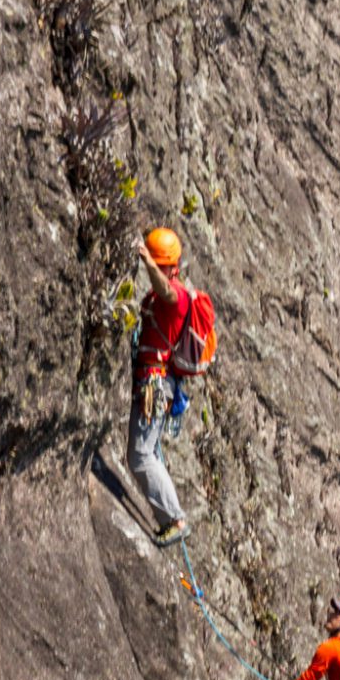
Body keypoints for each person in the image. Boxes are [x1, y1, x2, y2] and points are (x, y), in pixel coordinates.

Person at [129, 227, 193, 546]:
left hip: (155, 383)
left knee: (141, 455)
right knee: (146, 451)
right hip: (151, 381)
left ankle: (174, 518)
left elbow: (166, 292)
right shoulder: (157, 297)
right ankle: (173, 517)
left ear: (168, 266)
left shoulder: (176, 296)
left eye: (157, 263)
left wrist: (146, 261)